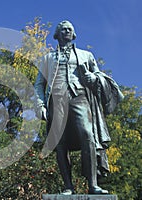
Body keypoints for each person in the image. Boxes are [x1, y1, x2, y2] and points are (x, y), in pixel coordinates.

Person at [34, 20, 123, 195]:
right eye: (63, 29)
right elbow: (38, 84)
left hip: (79, 97)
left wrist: (91, 77)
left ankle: (93, 185)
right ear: (57, 34)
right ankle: (68, 186)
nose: (67, 31)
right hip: (56, 100)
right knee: (60, 144)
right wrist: (40, 105)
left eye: (70, 29)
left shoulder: (86, 55)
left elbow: (98, 75)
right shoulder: (47, 59)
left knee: (87, 134)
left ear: (73, 34)